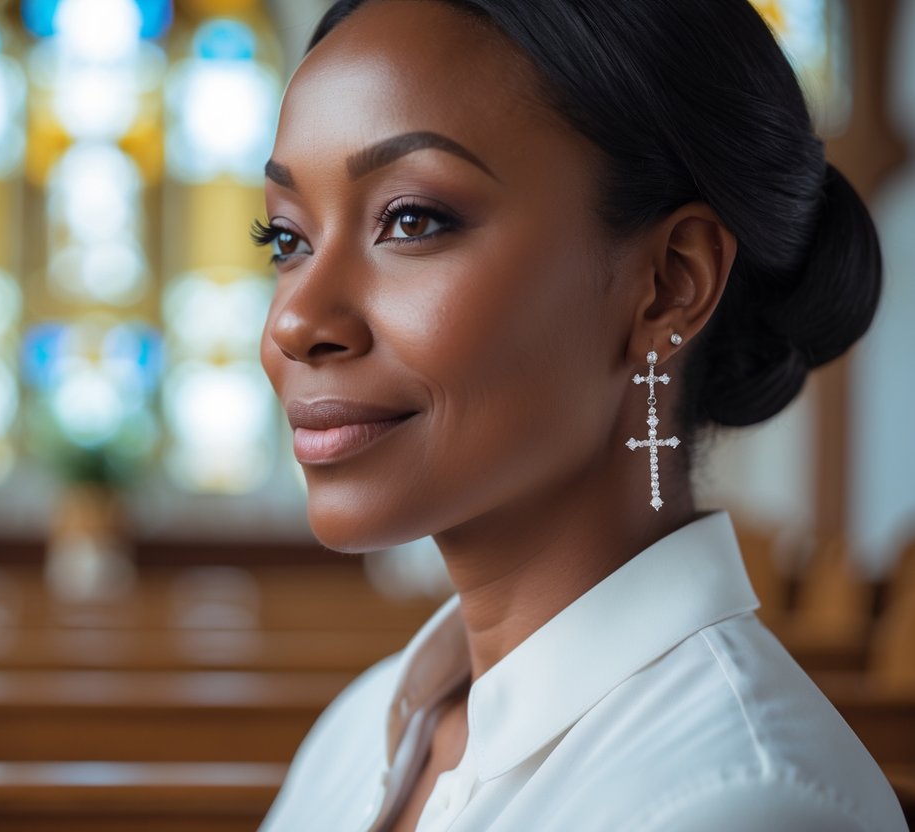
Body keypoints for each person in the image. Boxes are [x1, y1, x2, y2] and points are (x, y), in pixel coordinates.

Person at [252, 0, 908, 830]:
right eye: (285, 240)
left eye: (411, 220)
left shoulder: (741, 802)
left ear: (669, 284)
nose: (295, 323)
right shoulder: (362, 730)